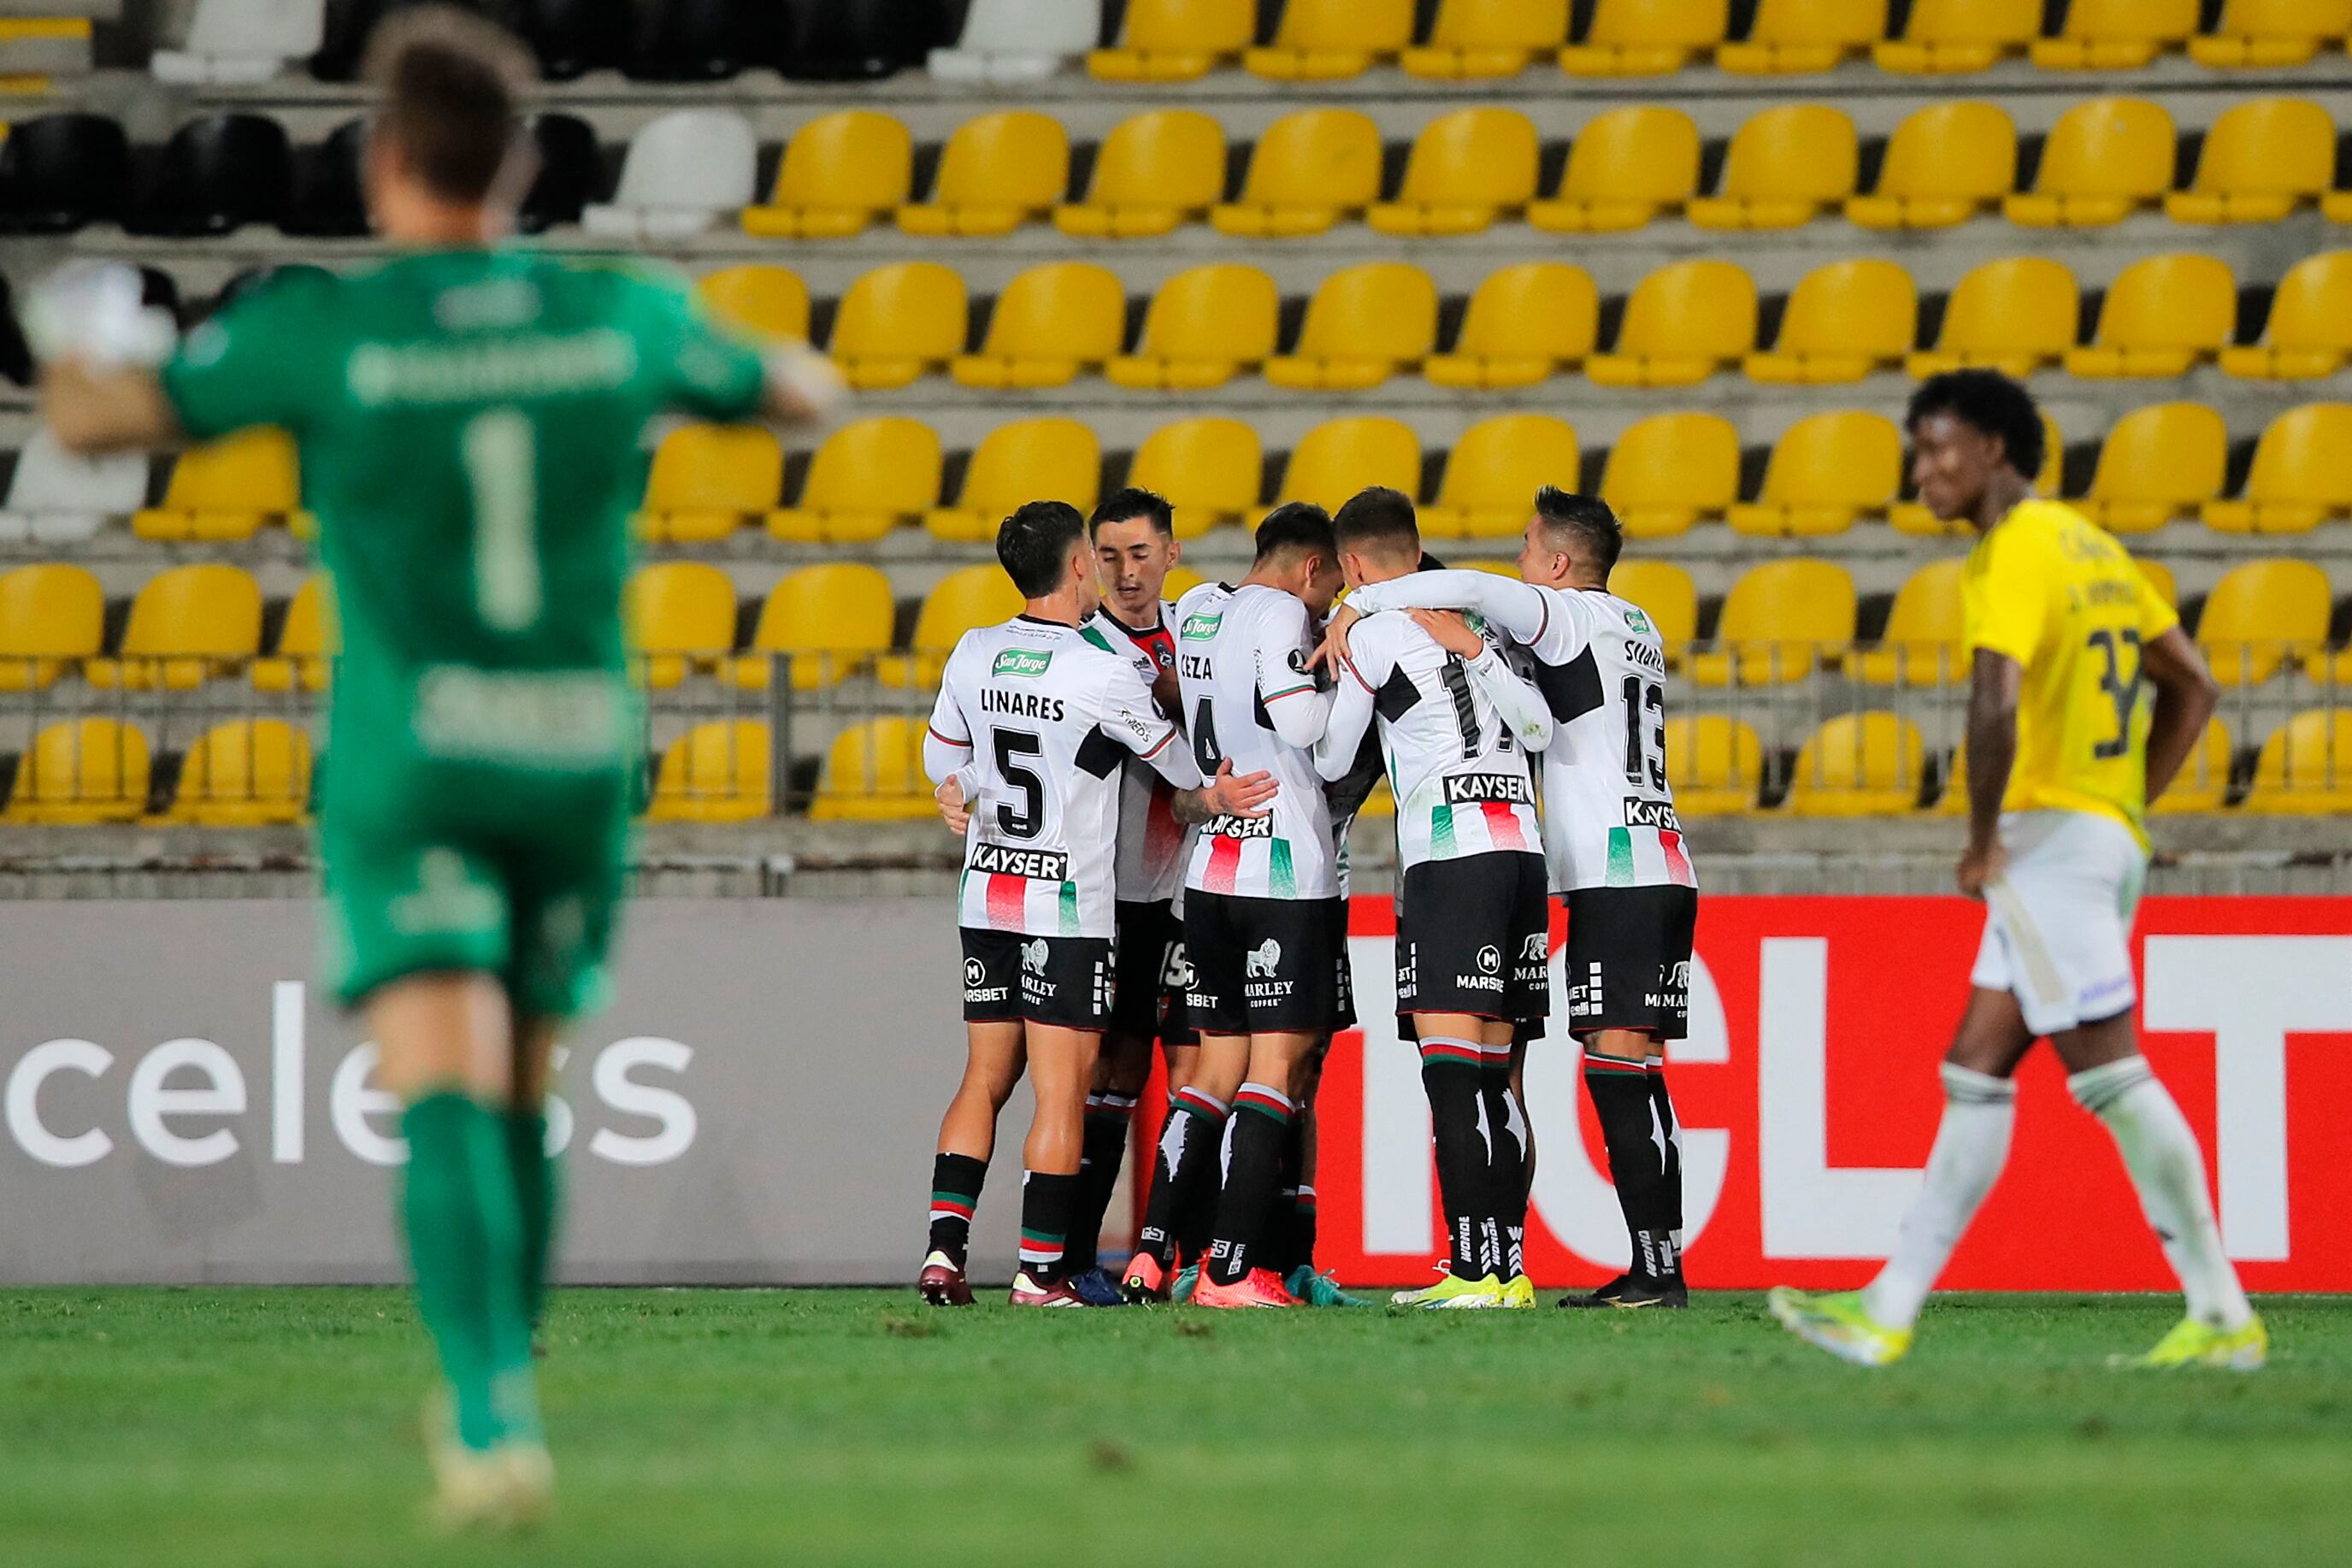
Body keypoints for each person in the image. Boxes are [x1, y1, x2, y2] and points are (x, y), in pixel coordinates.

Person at [34, 7, 842, 1526]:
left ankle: (489, 1414)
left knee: (442, 1094)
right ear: (523, 163)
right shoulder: (618, 315)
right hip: (574, 753)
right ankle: (500, 1381)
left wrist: (77, 322)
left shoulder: (325, 333)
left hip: (417, 754)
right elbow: (804, 393)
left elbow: (98, 419)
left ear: (383, 166)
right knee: (525, 1084)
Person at [1770, 369, 2263, 1370]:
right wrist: (2124, 807)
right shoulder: (2091, 543)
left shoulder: (2011, 553)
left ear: (1996, 446)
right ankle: (1889, 1308)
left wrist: (1984, 836)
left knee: (2113, 1072)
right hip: (2089, 835)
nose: (1923, 472)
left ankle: (2221, 1312)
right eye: (1917, 454)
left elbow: (1993, 703)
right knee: (1976, 1066)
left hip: (2049, 843)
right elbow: (2196, 685)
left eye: (1938, 448)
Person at [1323, 488, 1698, 1308]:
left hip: (1609, 867)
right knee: (1627, 1073)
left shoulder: (1562, 615)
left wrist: (1356, 607)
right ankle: (1645, 1265)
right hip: (1652, 854)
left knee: (1607, 1072)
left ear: (1559, 564)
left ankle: (1637, 1272)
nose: (1518, 562)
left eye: (1529, 549)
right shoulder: (1639, 625)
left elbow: (1481, 596)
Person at [917, 501, 1274, 1308]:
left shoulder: (975, 650)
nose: (1113, 569)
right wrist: (1216, 789)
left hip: (988, 894)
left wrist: (959, 792)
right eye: (1098, 554)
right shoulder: (1099, 667)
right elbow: (1174, 762)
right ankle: (1041, 1272)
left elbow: (947, 762)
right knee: (1061, 1089)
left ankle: (944, 1254)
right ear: (1079, 564)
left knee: (982, 1077)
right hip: (1068, 904)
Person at [1314, 488, 1554, 1309]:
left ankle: (1476, 1269)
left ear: (1351, 564)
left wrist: (1335, 658)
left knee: (1452, 1076)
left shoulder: (1371, 633)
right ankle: (1508, 1265)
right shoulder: (1485, 628)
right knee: (1500, 1075)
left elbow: (1332, 754)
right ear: (1415, 552)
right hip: (1521, 852)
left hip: (1450, 857)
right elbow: (1536, 726)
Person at [1133, 504, 1345, 1309]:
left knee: (1209, 1072)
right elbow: (1304, 723)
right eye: (1325, 589)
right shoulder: (1285, 612)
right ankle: (1228, 1270)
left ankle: (1154, 1255)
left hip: (1212, 869)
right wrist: (1346, 674)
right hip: (1281, 870)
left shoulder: (1198, 610)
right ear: (1310, 569)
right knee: (1274, 1071)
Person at [1059, 488, 1195, 1306]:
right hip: (1116, 894)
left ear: (1170, 554)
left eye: (1140, 554)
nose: (1126, 571)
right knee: (1110, 1069)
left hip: (1198, 888)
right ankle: (1075, 1253)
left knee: (1194, 1067)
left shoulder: (1204, 639)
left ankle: (1179, 1255)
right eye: (1109, 556)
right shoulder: (1083, 649)